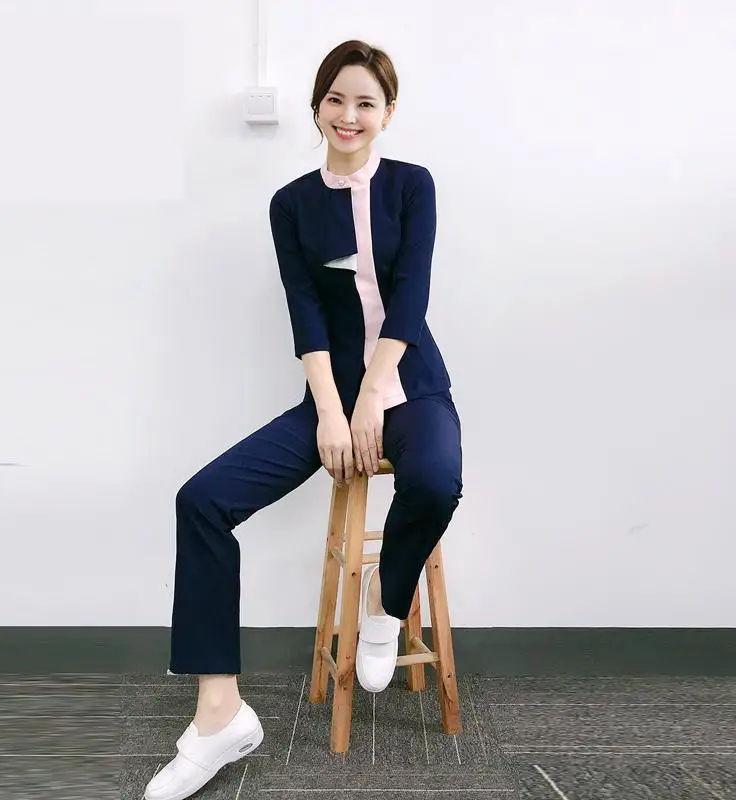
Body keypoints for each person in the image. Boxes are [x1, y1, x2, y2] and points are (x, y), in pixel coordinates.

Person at [143, 39, 463, 800]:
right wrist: (329, 409)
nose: (348, 115)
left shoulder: (412, 186)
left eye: (365, 103)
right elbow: (306, 309)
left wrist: (370, 399)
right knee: (202, 500)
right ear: (318, 107)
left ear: (388, 113)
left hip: (411, 387)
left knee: (436, 478)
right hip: (329, 396)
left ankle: (384, 600)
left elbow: (411, 295)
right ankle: (220, 713)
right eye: (335, 100)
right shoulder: (290, 204)